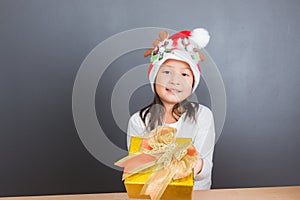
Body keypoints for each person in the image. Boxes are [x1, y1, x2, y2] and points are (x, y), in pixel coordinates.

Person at [126, 28, 216, 190]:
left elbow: (205, 170)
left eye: (184, 75)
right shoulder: (139, 121)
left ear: (193, 83)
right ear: (154, 77)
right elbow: (139, 170)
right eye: (167, 72)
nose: (175, 81)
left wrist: (197, 165)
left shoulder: (203, 116)